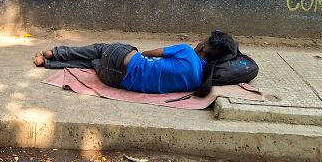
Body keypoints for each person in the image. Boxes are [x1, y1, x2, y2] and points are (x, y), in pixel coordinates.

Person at [33, 30, 238, 94]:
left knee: (99, 49)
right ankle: (49, 64)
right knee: (93, 62)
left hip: (118, 58)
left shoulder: (187, 51)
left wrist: (138, 53)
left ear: (202, 47)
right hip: (112, 79)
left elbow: (153, 52)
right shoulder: (197, 83)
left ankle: (54, 53)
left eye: (201, 42)